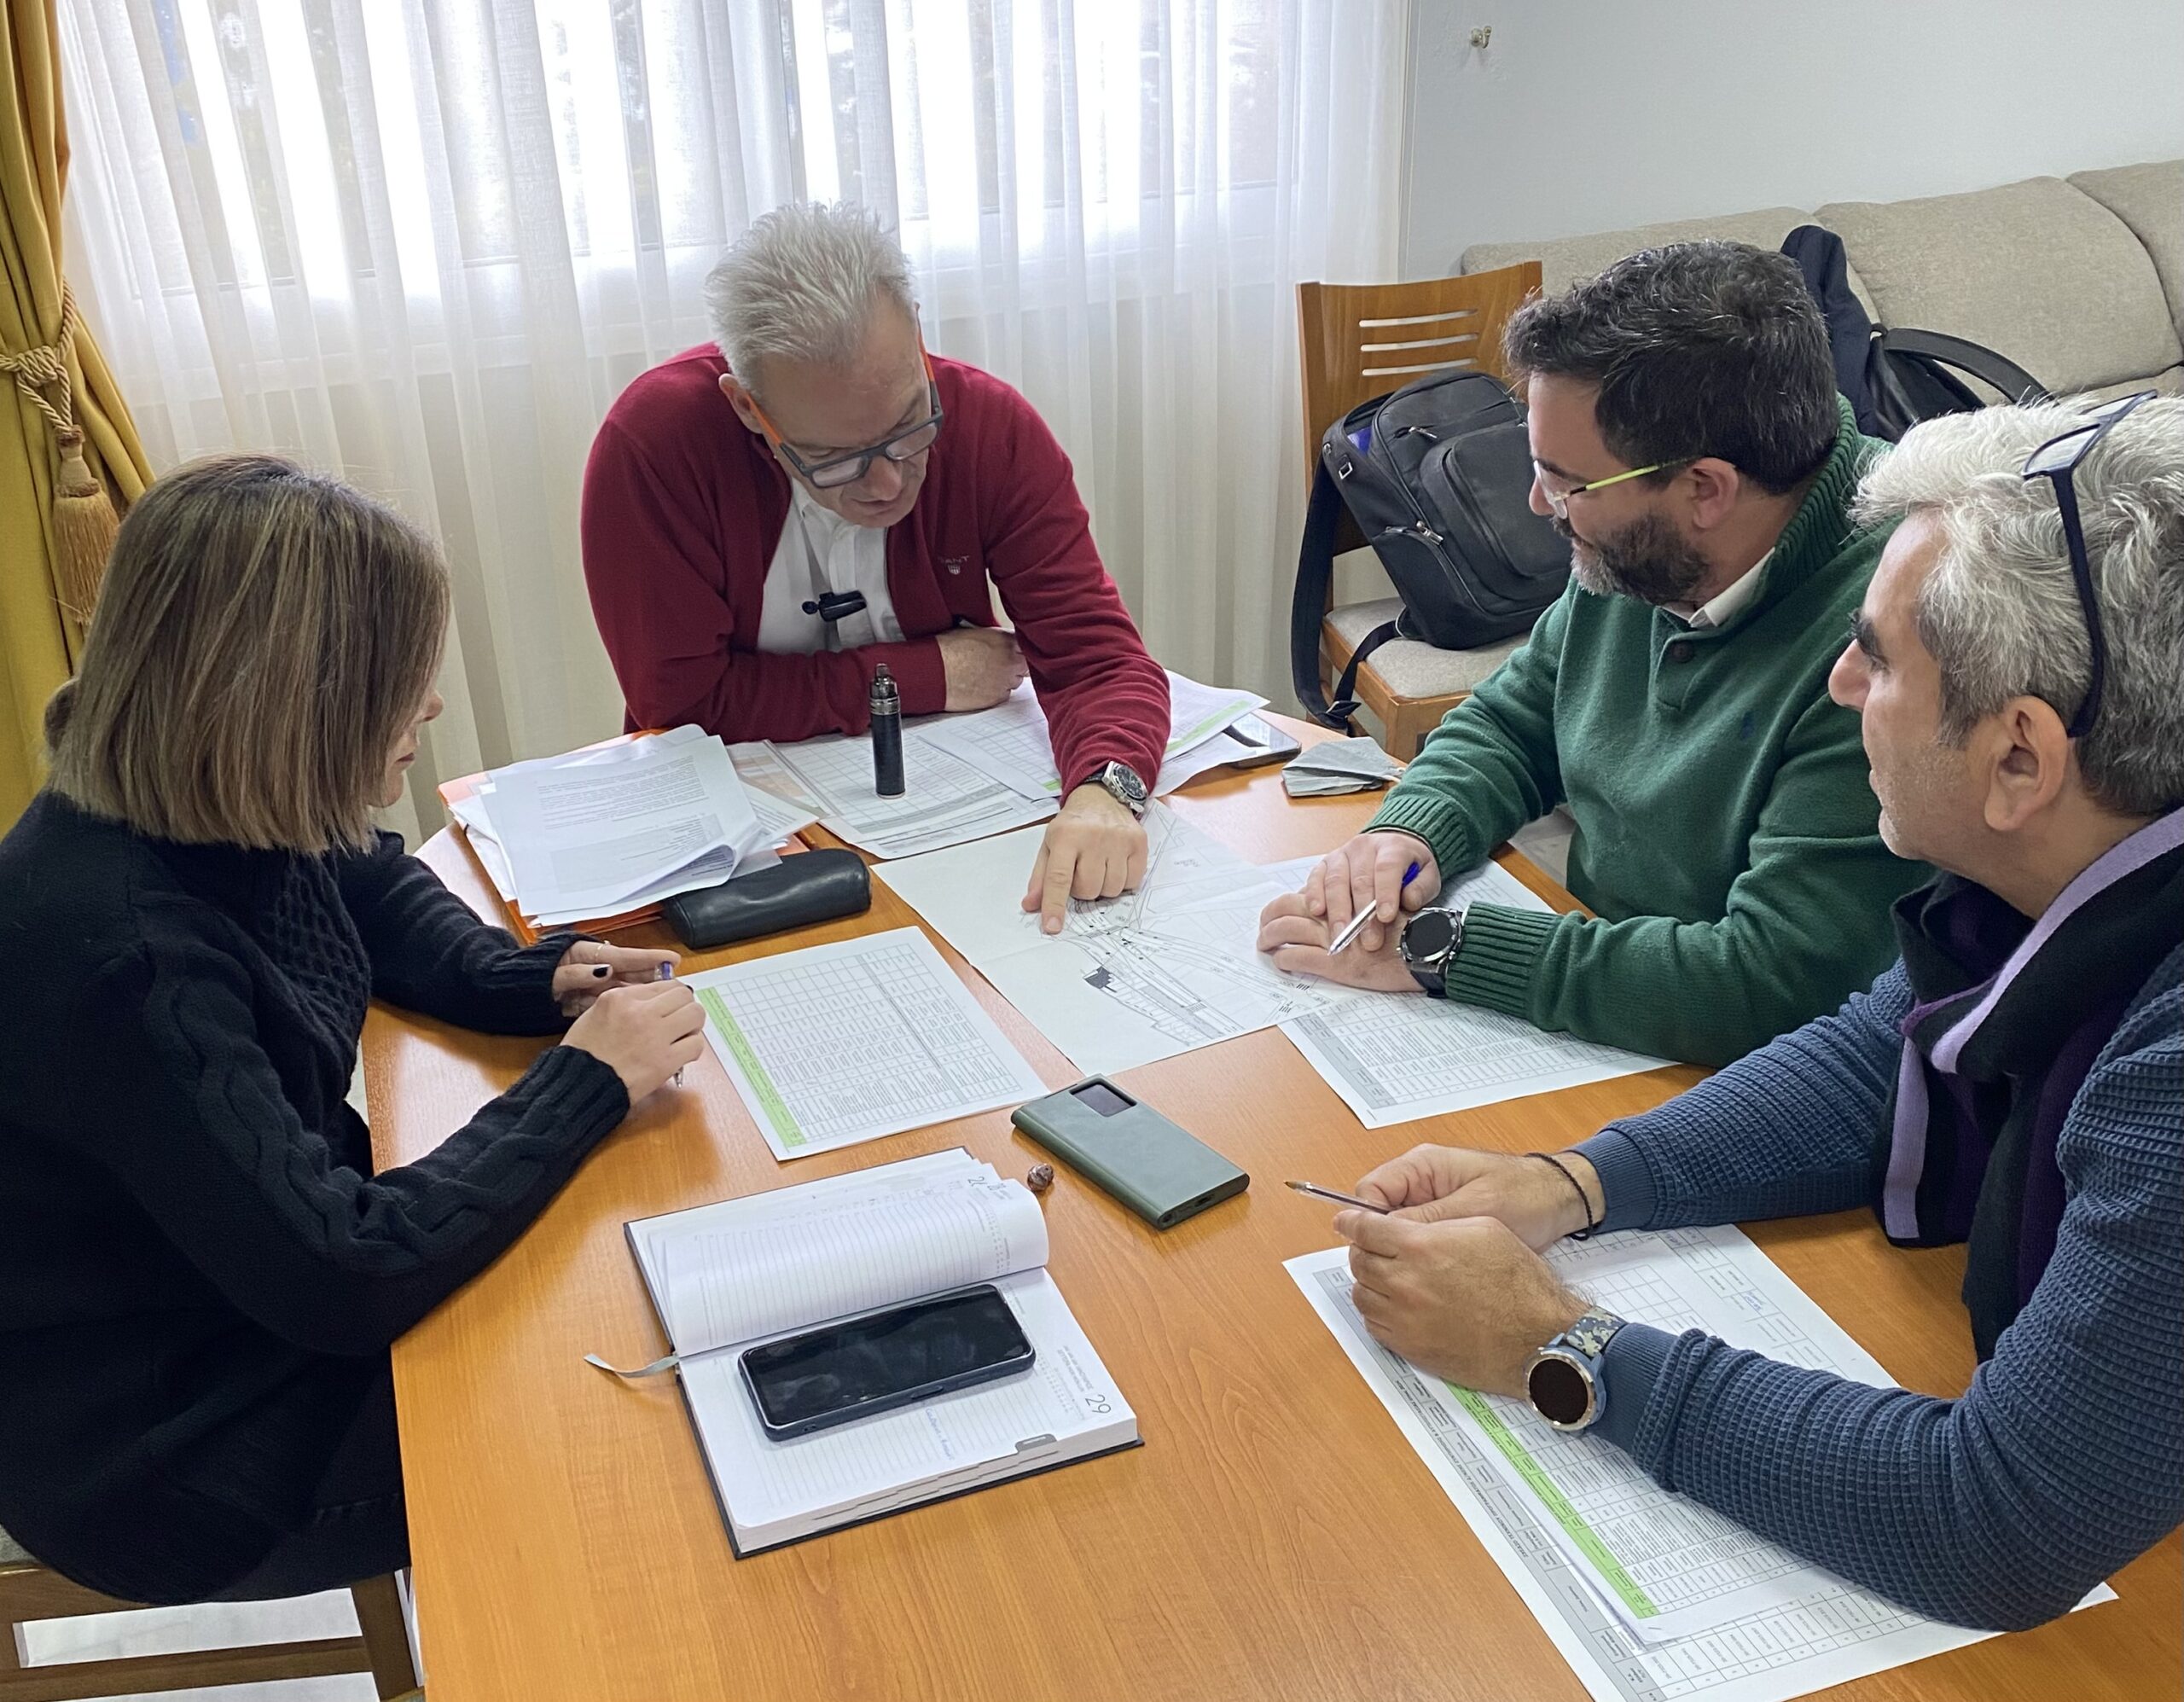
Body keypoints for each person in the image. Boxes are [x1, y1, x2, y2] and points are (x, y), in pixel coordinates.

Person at [1326, 396, 2183, 1630]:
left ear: (2020, 760)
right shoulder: (2077, 857)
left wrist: (1560, 1348)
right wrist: (1568, 1180)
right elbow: (1878, 1055)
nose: (1840, 682)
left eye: (1878, 657)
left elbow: (1996, 1521)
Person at [0, 456, 706, 1606]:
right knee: (630, 1419)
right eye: (401, 678)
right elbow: (347, 1270)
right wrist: (584, 1081)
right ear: (292, 703)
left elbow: (366, 874)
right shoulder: (124, 961)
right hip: (174, 1452)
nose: (429, 702)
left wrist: (530, 980)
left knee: (609, 1296)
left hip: (247, 1299)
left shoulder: (193, 794)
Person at [1259, 241, 1929, 1066]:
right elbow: (1515, 719)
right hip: (1611, 995)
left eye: (1565, 480)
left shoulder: (1893, 639)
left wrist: (1450, 948)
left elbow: (1773, 978)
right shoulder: (1645, 548)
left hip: (1739, 1065)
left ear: (1704, 489)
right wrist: (1411, 833)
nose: (1541, 503)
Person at [581, 201, 1170, 932]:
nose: (888, 482)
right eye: (832, 459)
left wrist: (1105, 789)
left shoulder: (990, 427)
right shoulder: (655, 449)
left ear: (920, 339)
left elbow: (1099, 661)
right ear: (746, 409)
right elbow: (682, 706)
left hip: (957, 826)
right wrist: (923, 675)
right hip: (749, 854)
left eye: (907, 427)